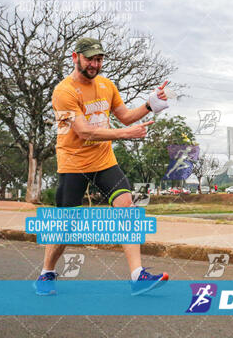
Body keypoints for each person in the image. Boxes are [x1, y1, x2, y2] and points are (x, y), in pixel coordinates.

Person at [35, 38, 169, 296]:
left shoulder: (107, 85)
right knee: (66, 226)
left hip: (104, 161)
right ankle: (46, 272)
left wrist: (149, 104)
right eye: (89, 59)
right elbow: (84, 132)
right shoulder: (63, 92)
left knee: (126, 207)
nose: (95, 64)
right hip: (73, 163)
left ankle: (137, 275)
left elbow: (125, 116)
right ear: (76, 57)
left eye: (99, 59)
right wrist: (125, 135)